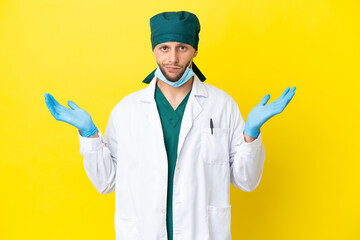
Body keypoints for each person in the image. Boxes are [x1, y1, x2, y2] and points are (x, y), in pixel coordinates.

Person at [44, 11, 296, 240]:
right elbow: (106, 182)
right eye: (164, 48)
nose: (172, 58)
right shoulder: (127, 109)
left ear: (194, 51)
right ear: (154, 50)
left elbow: (247, 180)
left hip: (204, 233)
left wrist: (251, 134)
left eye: (182, 48)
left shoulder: (222, 105)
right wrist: (89, 136)